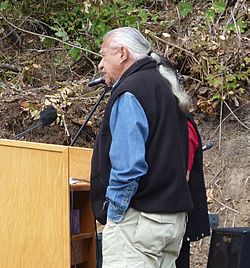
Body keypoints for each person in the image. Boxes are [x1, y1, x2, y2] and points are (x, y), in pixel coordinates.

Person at [90, 26, 208, 268]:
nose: (100, 65)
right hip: (170, 221)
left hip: (139, 222)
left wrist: (115, 217)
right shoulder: (166, 87)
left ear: (122, 53)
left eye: (103, 55)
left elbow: (128, 167)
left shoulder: (131, 92)